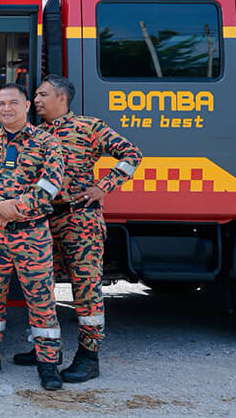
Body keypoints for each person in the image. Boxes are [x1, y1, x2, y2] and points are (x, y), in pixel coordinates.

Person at [16, 75, 142, 382]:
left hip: (80, 220)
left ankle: (89, 357)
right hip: (44, 221)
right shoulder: (35, 134)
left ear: (62, 97)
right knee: (42, 289)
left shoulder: (89, 127)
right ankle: (46, 349)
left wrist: (103, 187)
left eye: (43, 95)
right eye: (36, 96)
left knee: (85, 290)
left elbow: (132, 154)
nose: (36, 100)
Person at [0, 83, 65, 391]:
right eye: (0, 103)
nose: (6, 108)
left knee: (41, 299)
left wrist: (14, 209)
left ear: (26, 106)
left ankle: (48, 362)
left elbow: (51, 184)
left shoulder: (47, 142)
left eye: (12, 102)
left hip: (32, 234)